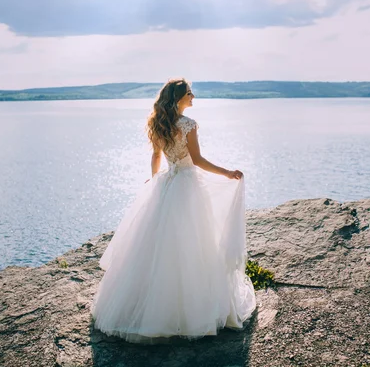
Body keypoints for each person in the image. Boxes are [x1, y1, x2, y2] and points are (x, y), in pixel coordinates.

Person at [90, 78, 256, 344]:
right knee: (194, 243)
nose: (194, 97)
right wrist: (227, 173)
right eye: (190, 93)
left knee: (158, 246)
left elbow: (157, 157)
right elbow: (198, 160)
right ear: (180, 97)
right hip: (188, 186)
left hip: (168, 183)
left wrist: (154, 180)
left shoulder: (160, 124)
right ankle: (193, 311)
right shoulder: (188, 125)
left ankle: (148, 308)